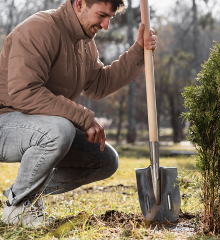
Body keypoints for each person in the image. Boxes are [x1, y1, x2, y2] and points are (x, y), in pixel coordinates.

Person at [0, 0, 157, 227]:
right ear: (80, 4)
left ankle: (25, 194)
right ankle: (17, 207)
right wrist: (82, 117)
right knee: (60, 129)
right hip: (5, 122)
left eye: (110, 18)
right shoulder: (39, 29)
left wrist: (137, 52)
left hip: (39, 126)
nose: (105, 26)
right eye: (101, 15)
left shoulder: (84, 44)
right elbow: (24, 93)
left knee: (104, 159)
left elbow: (99, 84)